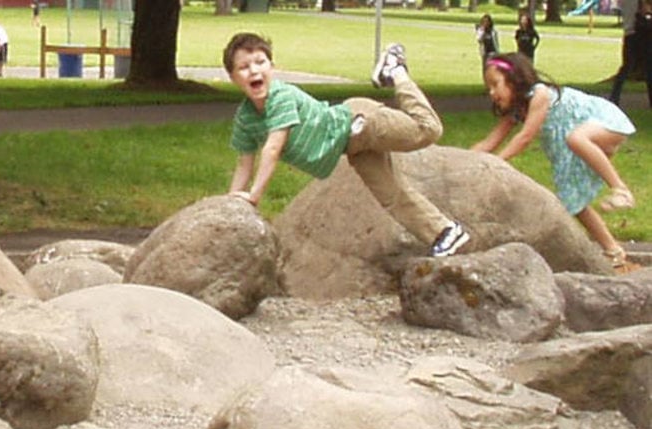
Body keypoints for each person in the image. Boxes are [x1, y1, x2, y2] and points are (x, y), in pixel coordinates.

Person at [224, 33, 470, 258]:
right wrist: (230, 205)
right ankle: (444, 231)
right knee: (391, 195)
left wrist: (254, 196)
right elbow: (244, 163)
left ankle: (395, 69)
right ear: (233, 77)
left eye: (260, 62)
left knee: (428, 129)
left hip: (359, 120)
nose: (254, 71)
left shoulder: (280, 97)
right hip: (351, 146)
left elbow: (273, 149)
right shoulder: (246, 118)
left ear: (272, 66)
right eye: (244, 67)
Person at [472, 53, 636, 269]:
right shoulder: (516, 110)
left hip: (604, 122)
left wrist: (497, 162)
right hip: (578, 143)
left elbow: (525, 137)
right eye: (488, 89)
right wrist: (464, 160)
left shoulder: (540, 95)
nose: (492, 93)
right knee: (572, 201)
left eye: (496, 84)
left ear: (514, 78)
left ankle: (620, 190)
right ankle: (613, 250)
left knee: (576, 138)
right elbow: (490, 141)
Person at [608, 0, 652, 108]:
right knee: (648, 68)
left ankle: (614, 96)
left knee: (626, 67)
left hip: (629, 34)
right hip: (642, 34)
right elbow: (646, 12)